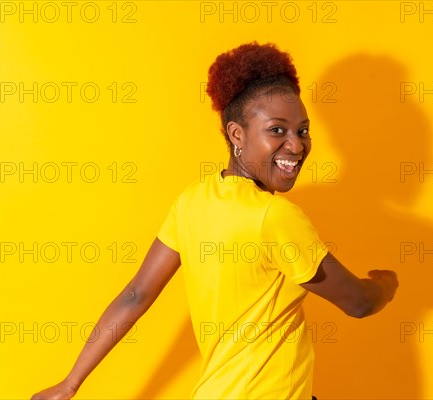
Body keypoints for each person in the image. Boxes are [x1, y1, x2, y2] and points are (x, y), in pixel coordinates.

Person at [31, 42, 398, 400]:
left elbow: (136, 294)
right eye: (277, 130)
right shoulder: (276, 216)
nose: (297, 145)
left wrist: (69, 384)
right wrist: (384, 284)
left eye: (302, 130)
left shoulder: (193, 200)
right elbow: (358, 303)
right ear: (237, 134)